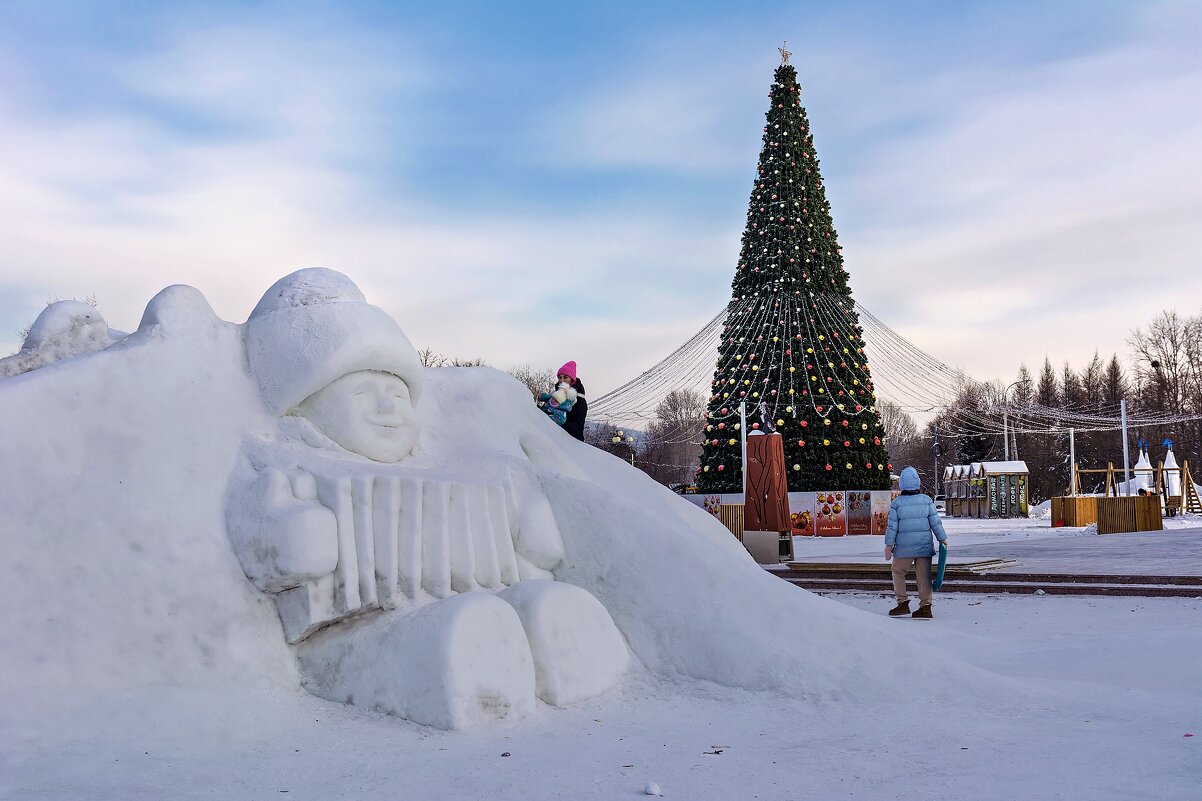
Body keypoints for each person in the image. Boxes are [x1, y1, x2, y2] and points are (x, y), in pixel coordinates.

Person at [884, 466, 948, 619]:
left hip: (903, 548)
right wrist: (942, 538)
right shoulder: (926, 501)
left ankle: (902, 603)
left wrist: (888, 545)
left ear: (902, 485)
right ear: (918, 483)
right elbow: (935, 523)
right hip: (924, 547)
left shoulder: (897, 503)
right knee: (924, 577)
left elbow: (892, 527)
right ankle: (926, 607)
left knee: (898, 571)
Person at [556, 361, 588, 441]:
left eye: (565, 377)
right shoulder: (555, 397)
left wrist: (560, 422)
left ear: (572, 380)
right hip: (555, 439)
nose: (562, 380)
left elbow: (577, 428)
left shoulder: (579, 401)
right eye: (560, 377)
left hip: (572, 444)